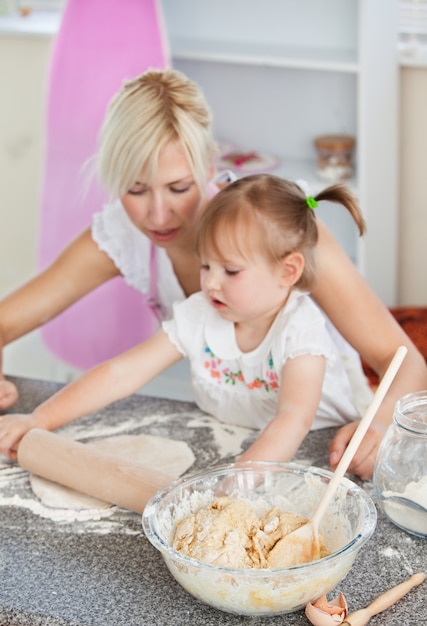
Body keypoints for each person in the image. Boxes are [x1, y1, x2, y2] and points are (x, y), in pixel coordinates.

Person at [0, 69, 425, 478]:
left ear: (208, 165)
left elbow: (403, 363)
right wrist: (37, 417)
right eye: (135, 190)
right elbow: (106, 367)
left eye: (179, 188)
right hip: (235, 430)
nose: (158, 214)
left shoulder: (276, 227)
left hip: (328, 444)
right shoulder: (122, 235)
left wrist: (381, 424)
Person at [0, 175, 375, 465]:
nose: (211, 282)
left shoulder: (300, 328)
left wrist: (240, 480)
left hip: (318, 454)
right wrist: (40, 419)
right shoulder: (202, 312)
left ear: (287, 271)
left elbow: (293, 418)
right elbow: (121, 373)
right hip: (229, 439)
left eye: (230, 270)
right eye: (206, 265)